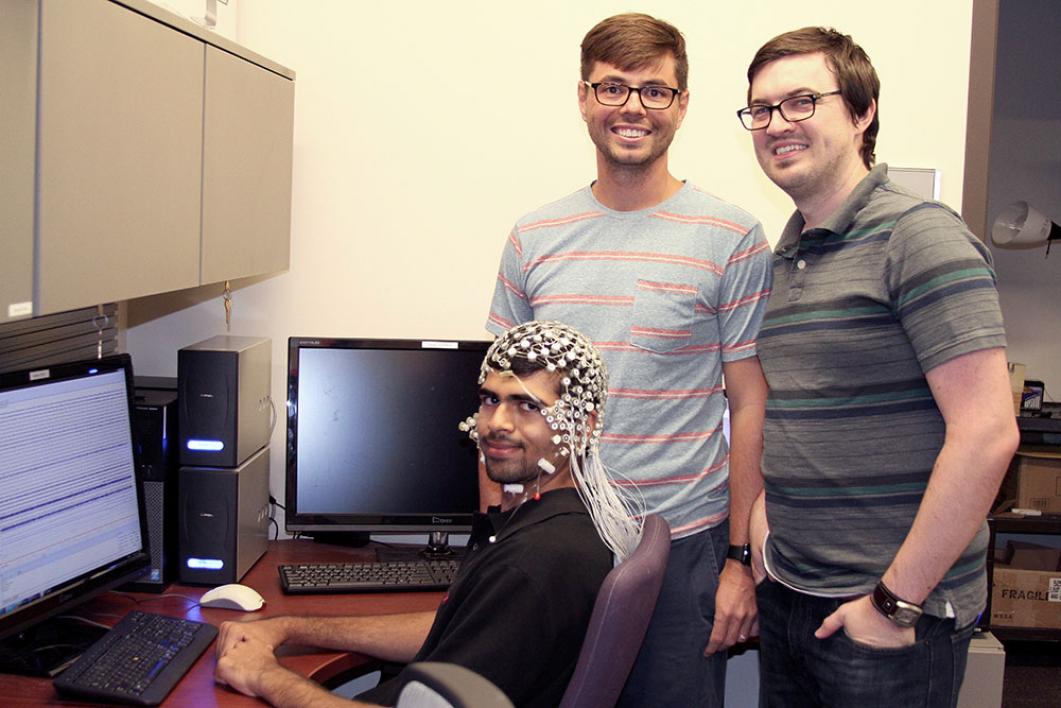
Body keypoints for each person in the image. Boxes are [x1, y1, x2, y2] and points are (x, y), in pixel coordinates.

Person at [485, 13, 772, 707]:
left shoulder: (729, 237)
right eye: (613, 88)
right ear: (584, 98)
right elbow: (501, 402)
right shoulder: (534, 237)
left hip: (680, 546)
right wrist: (494, 534)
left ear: (681, 106)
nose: (633, 108)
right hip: (554, 540)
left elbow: (750, 402)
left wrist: (738, 561)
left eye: (654, 91)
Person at [739, 26, 1020, 706]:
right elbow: (799, 410)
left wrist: (893, 603)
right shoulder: (785, 256)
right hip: (790, 601)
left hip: (888, 618)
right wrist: (763, 541)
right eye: (761, 109)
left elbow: (986, 434)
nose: (777, 123)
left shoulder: (917, 236)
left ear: (862, 112)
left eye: (802, 101)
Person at [214, 320, 642, 708]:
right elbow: (455, 629)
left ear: (582, 427)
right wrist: (290, 628)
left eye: (528, 405)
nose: (496, 423)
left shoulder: (535, 563)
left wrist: (264, 675)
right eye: (490, 400)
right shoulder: (551, 521)